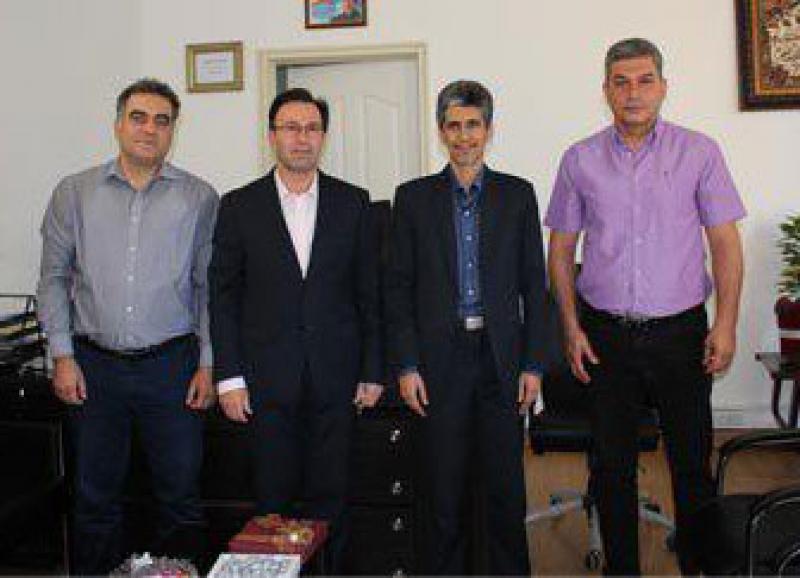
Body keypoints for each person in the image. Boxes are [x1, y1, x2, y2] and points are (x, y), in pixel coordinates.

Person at [546, 38, 746, 575]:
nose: (633, 92)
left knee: (691, 464)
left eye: (644, 80)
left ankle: (701, 569)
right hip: (605, 336)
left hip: (681, 335)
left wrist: (726, 325)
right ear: (606, 90)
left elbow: (725, 244)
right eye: (621, 82)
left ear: (663, 87)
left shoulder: (700, 152)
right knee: (612, 468)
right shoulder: (579, 159)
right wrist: (570, 327)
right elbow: (561, 250)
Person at [37, 78, 219, 574]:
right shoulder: (74, 193)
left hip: (173, 367)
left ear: (173, 131)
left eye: (162, 120)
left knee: (180, 498)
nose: (149, 129)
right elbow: (53, 278)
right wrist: (62, 356)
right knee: (94, 499)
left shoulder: (200, 197)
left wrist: (207, 364)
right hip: (93, 367)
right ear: (118, 124)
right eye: (138, 117)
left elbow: (208, 287)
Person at [208, 87, 382, 571]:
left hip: (337, 382)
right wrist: (229, 377)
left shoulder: (354, 203)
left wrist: (373, 370)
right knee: (271, 505)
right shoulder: (239, 206)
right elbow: (223, 297)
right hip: (264, 384)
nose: (301, 138)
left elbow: (369, 294)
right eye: (291, 128)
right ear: (272, 136)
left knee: (333, 501)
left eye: (311, 128)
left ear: (323, 136)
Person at [385, 79, 547, 575]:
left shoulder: (518, 196)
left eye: (473, 125)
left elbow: (533, 285)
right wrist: (406, 365)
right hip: (440, 361)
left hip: (500, 360)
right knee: (443, 488)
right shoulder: (413, 199)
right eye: (453, 126)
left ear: (488, 130)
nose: (463, 136)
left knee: (504, 488)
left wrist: (533, 365)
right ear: (441, 131)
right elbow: (398, 289)